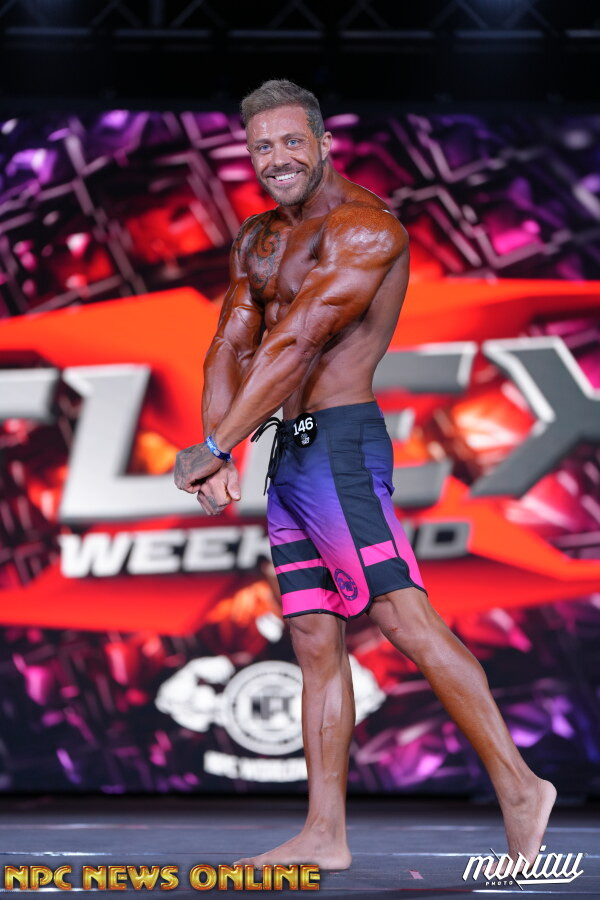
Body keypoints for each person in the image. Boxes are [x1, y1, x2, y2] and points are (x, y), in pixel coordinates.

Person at [174, 79, 556, 871]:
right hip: (290, 452)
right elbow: (230, 344)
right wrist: (222, 449)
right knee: (314, 637)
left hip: (341, 447)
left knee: (405, 620)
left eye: (291, 142)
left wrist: (216, 443)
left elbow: (298, 343)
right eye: (261, 147)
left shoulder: (365, 228)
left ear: (323, 143)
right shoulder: (258, 238)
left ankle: (522, 787)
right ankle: (325, 833)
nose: (277, 159)